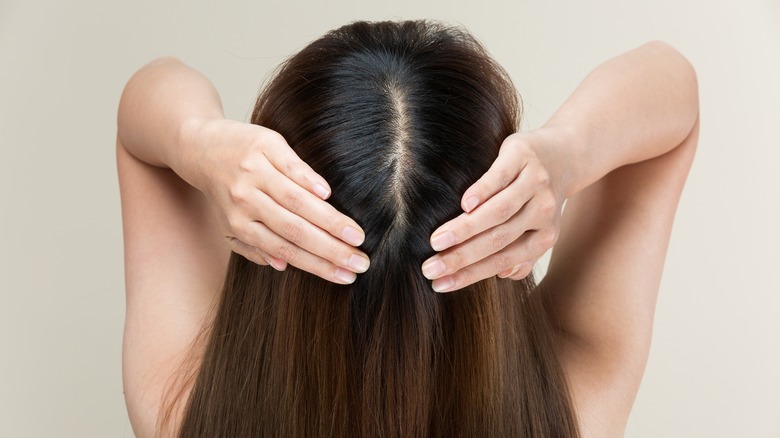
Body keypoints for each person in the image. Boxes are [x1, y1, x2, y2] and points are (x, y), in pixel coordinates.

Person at [117, 20, 698, 438]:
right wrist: (568, 152)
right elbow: (674, 90)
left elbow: (143, 116)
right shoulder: (571, 412)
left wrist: (197, 141)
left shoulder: (185, 414)